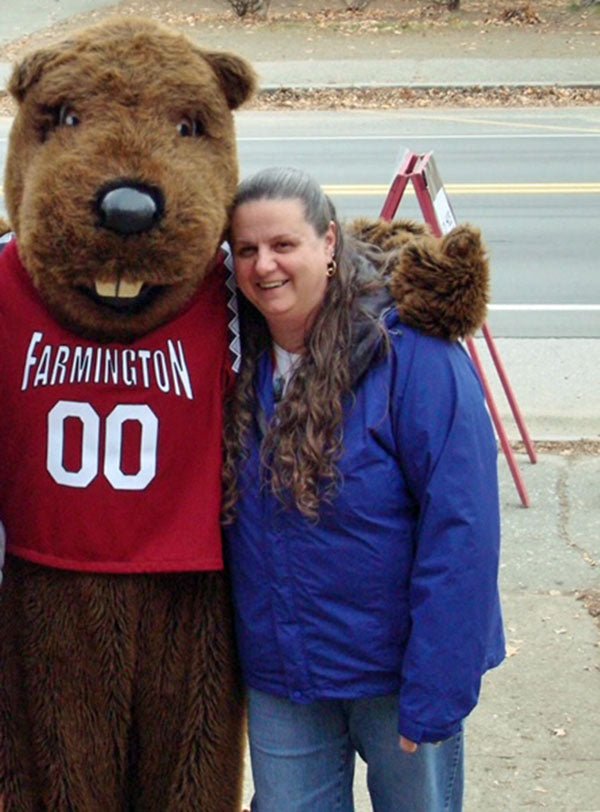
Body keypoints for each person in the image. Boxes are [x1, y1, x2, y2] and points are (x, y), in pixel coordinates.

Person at [222, 166, 505, 812]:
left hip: (397, 678)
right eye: (246, 250)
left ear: (328, 243)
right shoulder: (237, 357)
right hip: (285, 676)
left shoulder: (413, 353)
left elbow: (462, 529)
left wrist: (435, 689)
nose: (264, 265)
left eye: (283, 245)